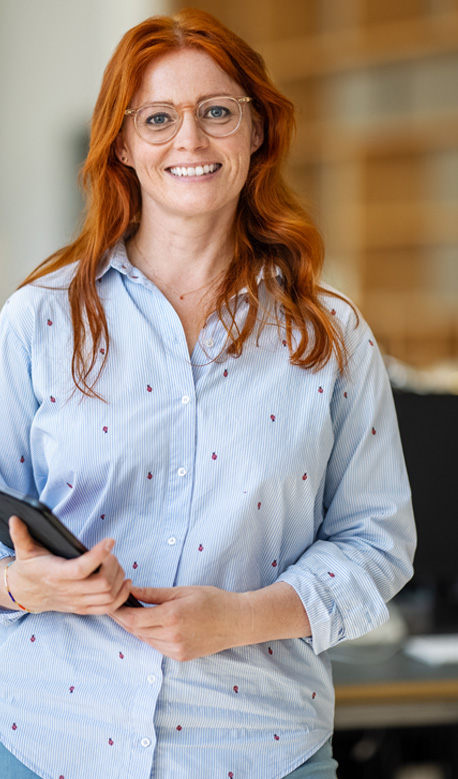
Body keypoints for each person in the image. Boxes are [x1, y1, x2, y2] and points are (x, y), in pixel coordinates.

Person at [0, 9, 416, 779]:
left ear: (257, 131)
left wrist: (242, 618)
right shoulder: (39, 319)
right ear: (122, 144)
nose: (189, 140)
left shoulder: (330, 334)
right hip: (49, 739)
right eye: (158, 118)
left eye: (217, 112)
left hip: (260, 747)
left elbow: (378, 544)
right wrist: (19, 583)